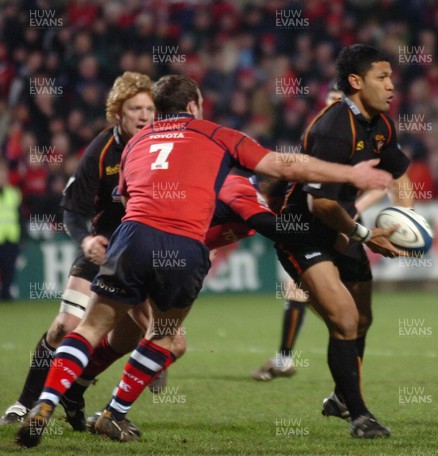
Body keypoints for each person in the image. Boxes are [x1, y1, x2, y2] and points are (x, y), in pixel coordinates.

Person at [16, 74, 393, 447]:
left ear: (158, 109)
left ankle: (46, 401)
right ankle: (114, 412)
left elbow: (127, 199)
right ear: (194, 105)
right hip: (182, 244)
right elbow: (286, 166)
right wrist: (351, 174)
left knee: (89, 328)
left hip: (130, 237)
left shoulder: (137, 142)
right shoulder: (217, 138)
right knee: (164, 336)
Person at [1, 72, 156, 429]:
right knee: (65, 326)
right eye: (136, 108)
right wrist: (86, 240)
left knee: (139, 335)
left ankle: (78, 392)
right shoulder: (101, 152)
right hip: (102, 249)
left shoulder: (160, 147)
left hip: (143, 254)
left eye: (150, 108)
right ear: (119, 112)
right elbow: (73, 211)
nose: (145, 116)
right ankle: (25, 403)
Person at [274, 44, 412, 438]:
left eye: (391, 77)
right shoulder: (333, 129)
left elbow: (399, 172)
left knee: (363, 319)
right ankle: (359, 416)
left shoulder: (381, 124)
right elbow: (319, 204)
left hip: (343, 227)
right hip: (303, 232)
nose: (391, 86)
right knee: (345, 319)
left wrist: (407, 216)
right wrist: (365, 235)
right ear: (356, 82)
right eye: (382, 78)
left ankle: (340, 397)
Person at [252, 83, 344, 382]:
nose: (333, 105)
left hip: (340, 223)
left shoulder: (356, 139)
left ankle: (340, 373)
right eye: (329, 99)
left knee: (345, 311)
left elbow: (376, 184)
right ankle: (286, 359)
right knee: (302, 293)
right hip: (315, 223)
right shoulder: (318, 135)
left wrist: (354, 218)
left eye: (338, 100)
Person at [0, 159, 21, 302]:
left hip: (11, 237)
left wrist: (22, 237)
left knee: (9, 269)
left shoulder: (14, 193)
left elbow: (20, 216)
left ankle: (6, 295)